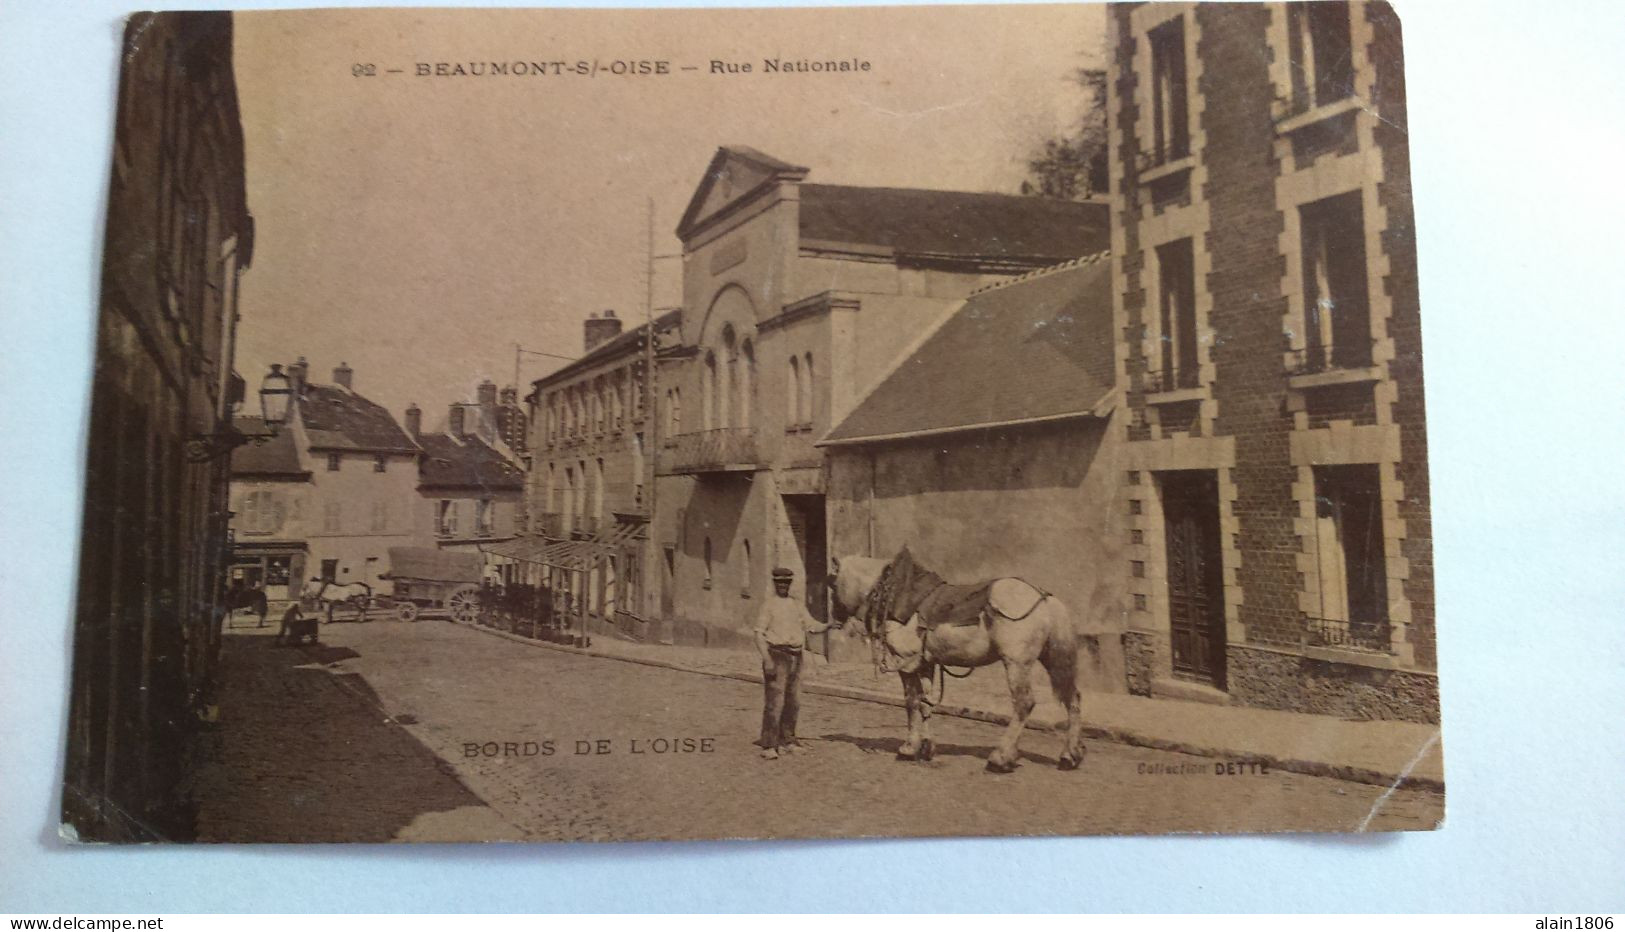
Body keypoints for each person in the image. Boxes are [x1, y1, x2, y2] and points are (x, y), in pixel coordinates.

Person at [753, 566, 829, 760]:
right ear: (774, 584)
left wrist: (828, 625)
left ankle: (788, 741)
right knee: (775, 702)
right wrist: (767, 659)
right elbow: (759, 634)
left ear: (790, 584)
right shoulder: (768, 605)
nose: (783, 586)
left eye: (786, 583)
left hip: (796, 656)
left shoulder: (797, 605)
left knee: (794, 701)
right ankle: (769, 744)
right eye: (779, 583)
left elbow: (811, 625)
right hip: (777, 655)